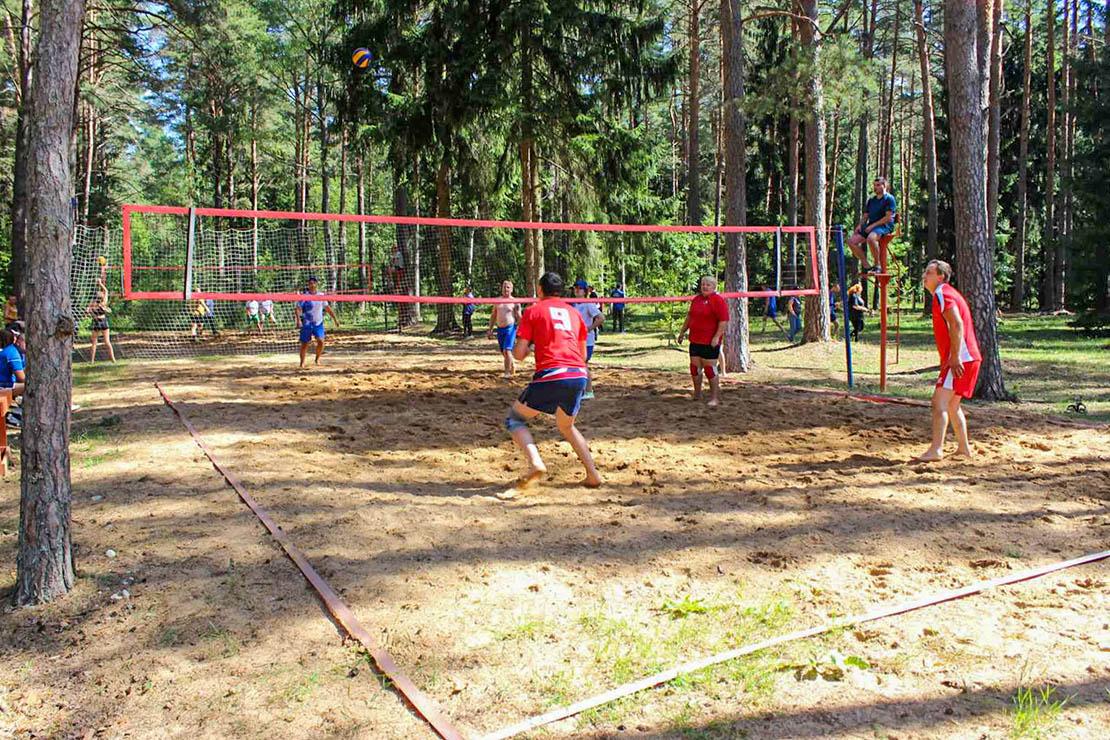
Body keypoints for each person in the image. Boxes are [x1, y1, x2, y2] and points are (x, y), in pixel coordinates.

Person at [500, 271, 601, 498]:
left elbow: (518, 354)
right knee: (567, 426)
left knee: (514, 419)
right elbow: (583, 355)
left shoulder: (534, 311)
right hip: (578, 375)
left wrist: (531, 347)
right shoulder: (574, 313)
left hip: (553, 374)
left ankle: (536, 463)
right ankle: (593, 474)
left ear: (540, 290)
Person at [916, 260, 982, 462]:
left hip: (961, 358)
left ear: (941, 277)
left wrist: (954, 356)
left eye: (929, 272)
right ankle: (963, 448)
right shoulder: (947, 293)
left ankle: (936, 450)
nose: (924, 276)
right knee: (953, 405)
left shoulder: (942, 293)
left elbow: (956, 323)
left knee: (939, 403)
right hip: (969, 357)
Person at [676, 276, 729, 407]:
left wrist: (716, 337)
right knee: (695, 368)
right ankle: (697, 394)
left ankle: (714, 398)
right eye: (703, 284)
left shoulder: (718, 300)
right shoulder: (696, 300)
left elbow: (723, 321)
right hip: (695, 340)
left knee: (710, 369)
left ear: (714, 287)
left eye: (708, 285)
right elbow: (689, 317)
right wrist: (682, 332)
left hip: (710, 342)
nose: (705, 287)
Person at [848, 177, 897, 274]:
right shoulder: (871, 200)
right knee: (851, 241)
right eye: (874, 185)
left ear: (884, 186)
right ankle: (866, 265)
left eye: (878, 185)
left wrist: (872, 226)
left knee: (871, 238)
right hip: (871, 226)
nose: (875, 187)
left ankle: (877, 265)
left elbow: (888, 217)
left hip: (885, 226)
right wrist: (860, 225)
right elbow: (866, 216)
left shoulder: (889, 199)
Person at [296, 276, 340, 367]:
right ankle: (302, 363)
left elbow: (327, 308)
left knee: (321, 341)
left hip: (318, 323)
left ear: (316, 284)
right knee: (305, 344)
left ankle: (317, 359)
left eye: (313, 283)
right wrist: (298, 320)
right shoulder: (304, 296)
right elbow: (298, 309)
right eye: (310, 283)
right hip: (307, 323)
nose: (312, 285)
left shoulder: (321, 295)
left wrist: (335, 319)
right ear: (308, 285)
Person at [572, 279, 604, 400]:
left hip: (586, 341)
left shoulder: (588, 304)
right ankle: (580, 390)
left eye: (579, 288)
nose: (576, 290)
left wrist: (589, 328)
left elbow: (601, 318)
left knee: (583, 364)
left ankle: (589, 391)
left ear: (585, 291)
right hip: (575, 340)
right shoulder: (573, 304)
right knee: (576, 365)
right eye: (575, 288)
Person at [487, 280, 521, 379]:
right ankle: (512, 363)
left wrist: (521, 329)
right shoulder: (498, 301)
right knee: (503, 351)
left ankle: (507, 373)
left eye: (508, 287)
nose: (505, 289)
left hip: (510, 328)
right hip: (500, 329)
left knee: (507, 350)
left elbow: (519, 317)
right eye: (504, 287)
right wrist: (490, 329)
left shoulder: (515, 302)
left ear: (511, 289)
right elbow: (493, 315)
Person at [87, 284, 116, 363]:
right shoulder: (103, 302)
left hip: (97, 322)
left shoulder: (93, 303)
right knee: (106, 342)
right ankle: (113, 359)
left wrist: (92, 314)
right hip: (103, 321)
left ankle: (92, 361)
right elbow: (106, 291)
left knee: (95, 342)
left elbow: (88, 311)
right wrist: (100, 283)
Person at [0, 328, 25, 401]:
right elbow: (21, 378)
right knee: (30, 386)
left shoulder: (5, 351)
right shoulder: (11, 352)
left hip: (4, 383)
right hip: (3, 385)